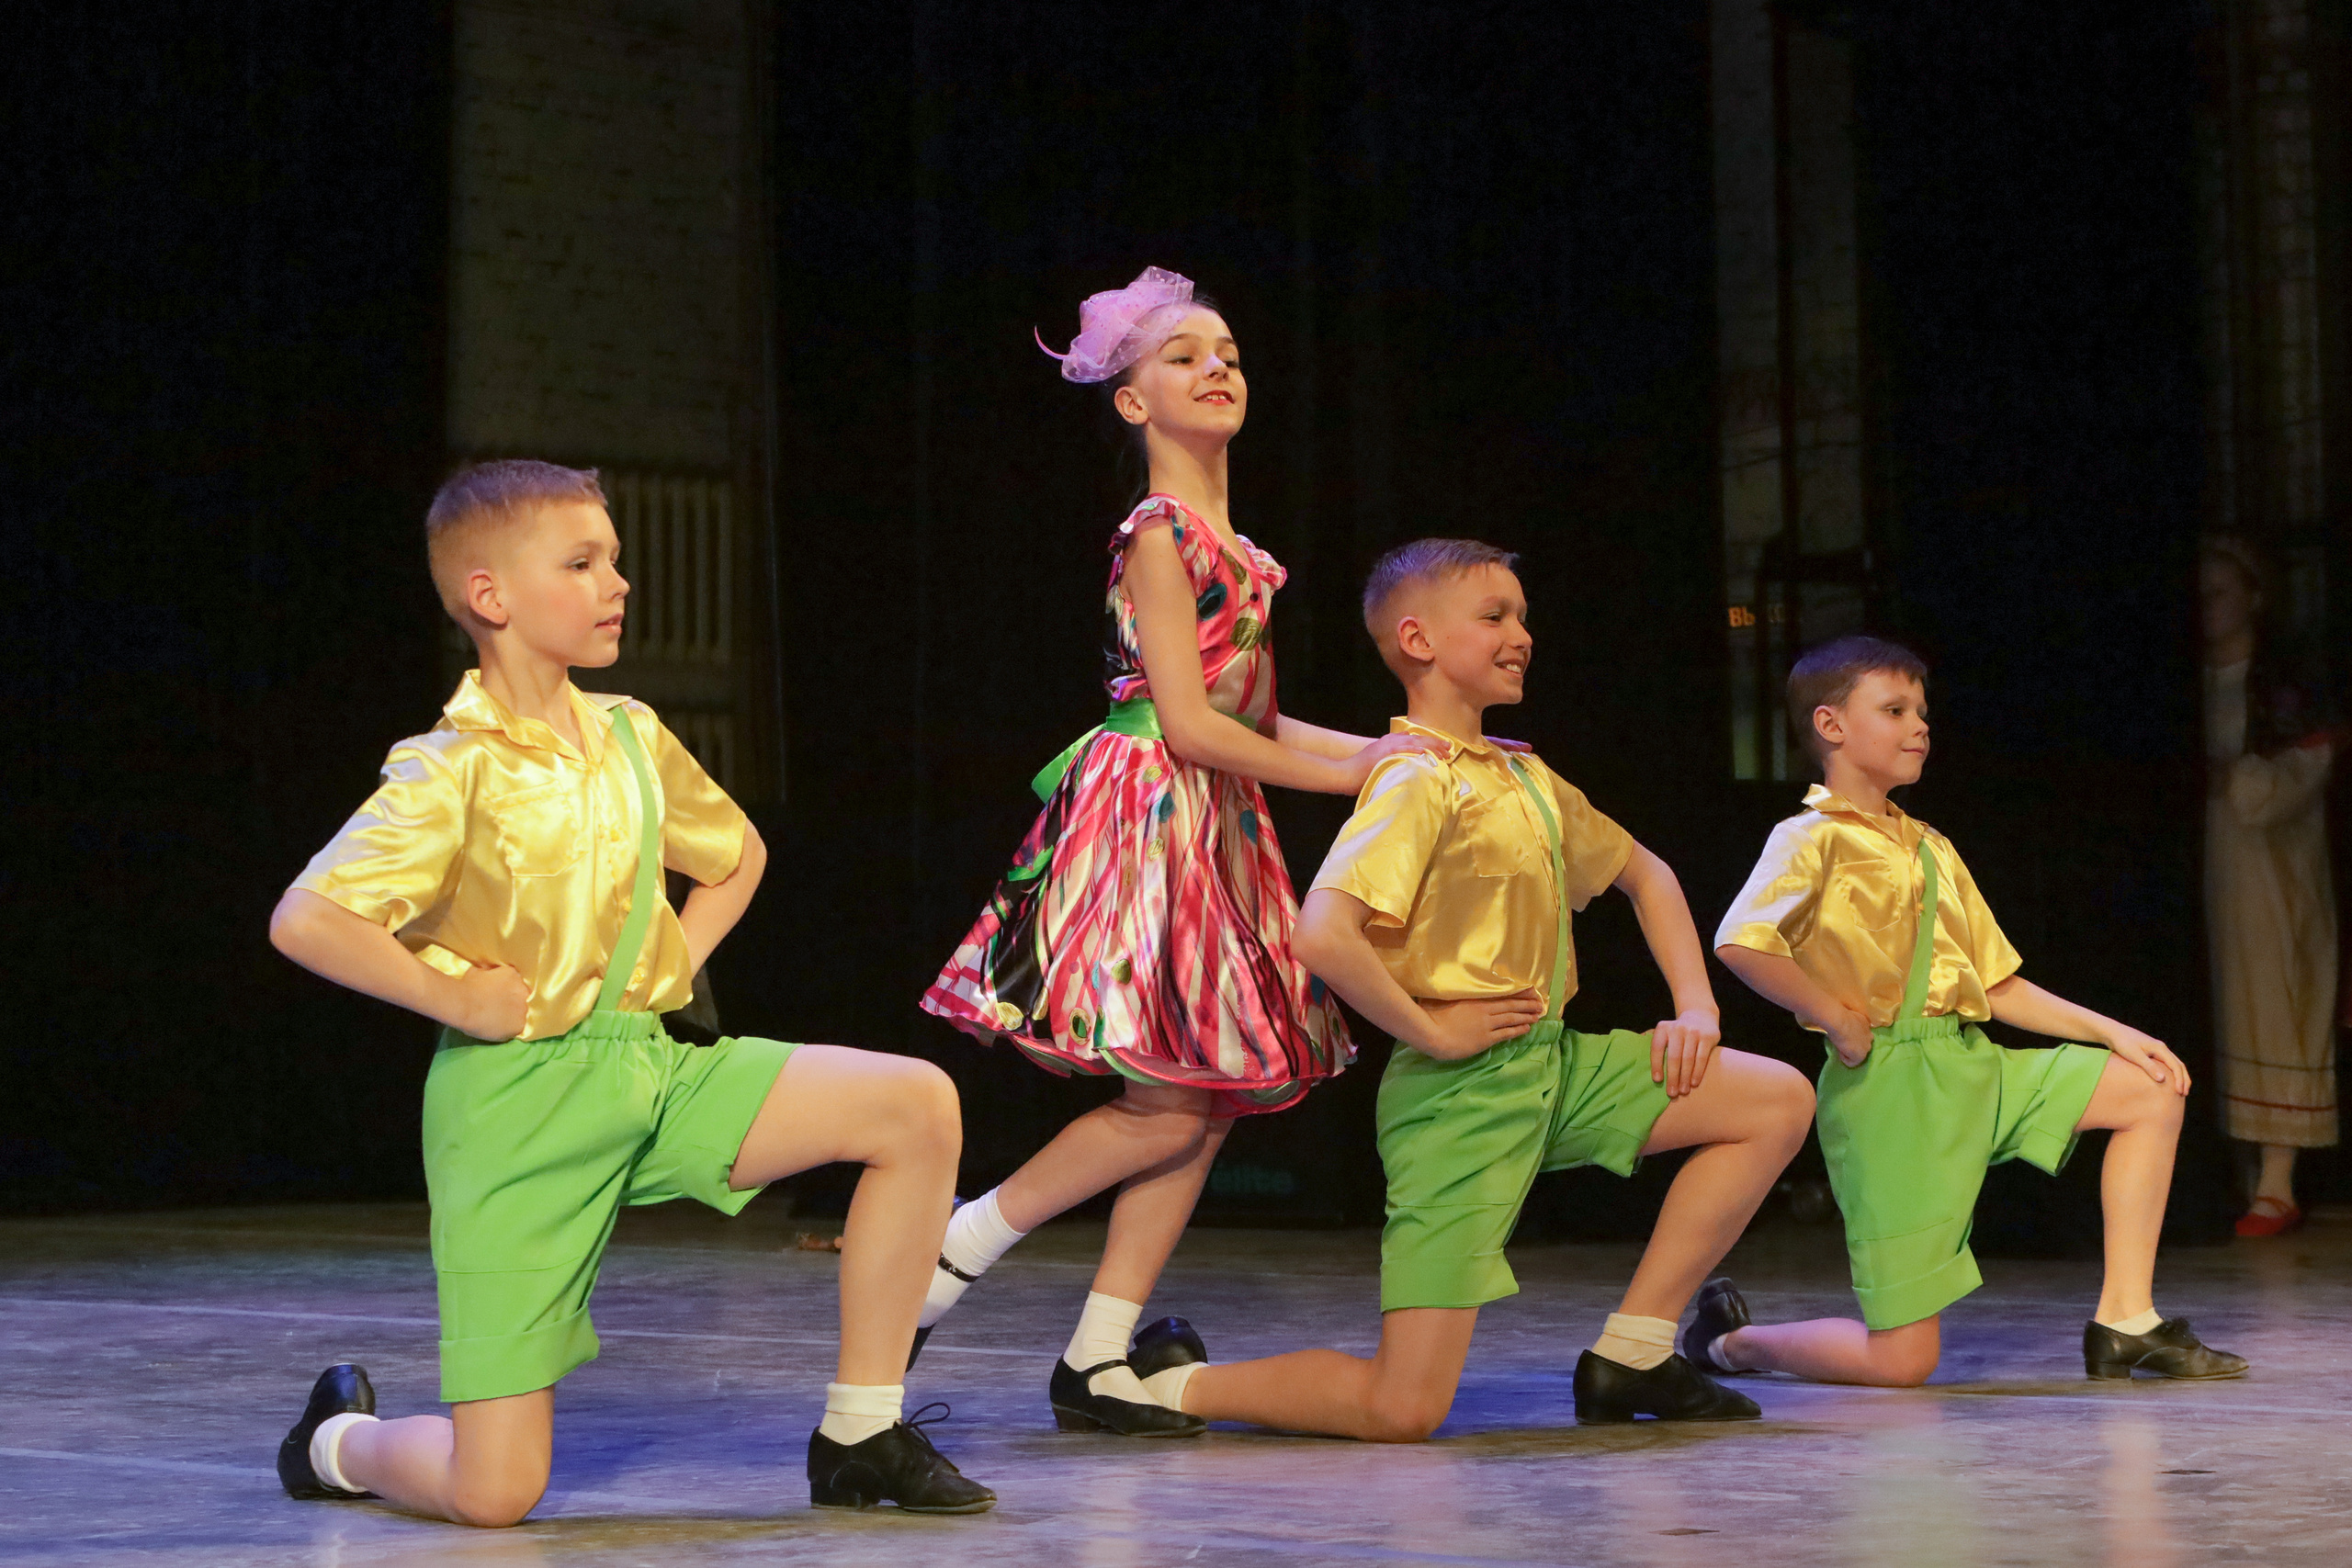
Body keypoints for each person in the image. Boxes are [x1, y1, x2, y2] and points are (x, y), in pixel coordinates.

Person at [266, 460, 994, 1523]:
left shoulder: (628, 733)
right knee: (495, 1494)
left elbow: (735, 855)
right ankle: (338, 1441)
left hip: (649, 1073)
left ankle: (861, 1434)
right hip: (517, 1112)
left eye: (613, 559)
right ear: (489, 596)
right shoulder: (449, 768)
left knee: (915, 1103)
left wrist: (667, 966)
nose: (617, 582)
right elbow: (307, 919)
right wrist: (456, 1000)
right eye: (581, 563)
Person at [916, 268, 1440, 1436]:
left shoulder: (1231, 545)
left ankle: (1099, 1353)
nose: (1216, 369)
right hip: (1153, 806)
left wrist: (1381, 752)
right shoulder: (1159, 532)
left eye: (1230, 356)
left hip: (1215, 814)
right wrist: (1357, 775)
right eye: (1184, 357)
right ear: (1132, 401)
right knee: (1166, 1098)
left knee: (1207, 1096)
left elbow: (1253, 717)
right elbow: (1192, 724)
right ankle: (952, 1248)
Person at [1138, 538, 1815, 1440]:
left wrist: (1696, 1007)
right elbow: (1324, 933)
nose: (1521, 634)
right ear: (1417, 640)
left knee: (1775, 1099)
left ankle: (1637, 1350)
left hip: (1557, 1070)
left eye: (1522, 616)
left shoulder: (1522, 774)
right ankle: (1163, 1386)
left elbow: (1646, 874)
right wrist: (1434, 1031)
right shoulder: (1414, 779)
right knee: (1401, 1408)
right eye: (1494, 615)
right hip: (1457, 1102)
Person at [1703, 635, 2247, 1386]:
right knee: (1902, 1362)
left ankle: (2126, 1319)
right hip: (1890, 1093)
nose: (1919, 725)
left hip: (1968, 1066)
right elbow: (1742, 941)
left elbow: (1995, 985)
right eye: (1895, 710)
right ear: (1831, 725)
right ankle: (1734, 1344)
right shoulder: (1808, 838)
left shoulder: (1930, 846)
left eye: (1921, 711)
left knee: (2150, 1089)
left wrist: (2117, 1032)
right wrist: (1834, 1014)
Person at [2200, 535, 2338, 1235]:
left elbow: (2291, 779)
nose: (2206, 607)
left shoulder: (2285, 689)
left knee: (2275, 1001)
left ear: (2253, 597)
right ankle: (2229, 1173)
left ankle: (2277, 1178)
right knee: (2218, 1002)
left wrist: (2235, 774)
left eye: (2219, 591)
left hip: (2273, 873)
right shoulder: (2194, 686)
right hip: (2211, 866)